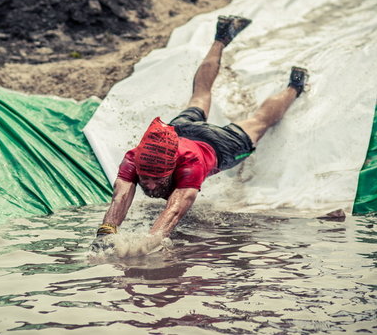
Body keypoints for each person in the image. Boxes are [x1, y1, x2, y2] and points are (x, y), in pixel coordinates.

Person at [91, 15, 308, 251]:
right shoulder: (134, 158)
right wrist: (105, 234)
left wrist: (146, 245)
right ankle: (221, 38)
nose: (151, 187)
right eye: (145, 179)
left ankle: (295, 86)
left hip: (220, 145)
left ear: (172, 168)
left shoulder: (189, 167)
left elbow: (173, 212)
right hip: (180, 131)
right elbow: (120, 197)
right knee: (200, 94)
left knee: (259, 122)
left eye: (157, 180)